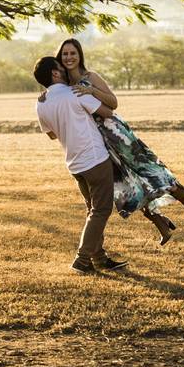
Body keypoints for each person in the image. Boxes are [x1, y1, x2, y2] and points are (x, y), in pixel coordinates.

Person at [54, 38, 184, 246]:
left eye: (73, 53)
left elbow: (113, 103)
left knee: (146, 170)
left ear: (80, 56)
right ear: (59, 58)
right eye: (65, 54)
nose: (69, 57)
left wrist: (91, 91)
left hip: (115, 133)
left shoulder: (91, 77)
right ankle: (159, 223)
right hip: (96, 141)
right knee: (126, 185)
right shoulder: (63, 86)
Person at [33, 56, 129, 273]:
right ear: (56, 74)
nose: (65, 68)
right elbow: (108, 112)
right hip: (94, 158)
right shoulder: (75, 93)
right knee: (101, 210)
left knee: (92, 210)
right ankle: (82, 259)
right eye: (60, 67)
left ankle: (99, 259)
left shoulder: (41, 103)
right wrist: (90, 94)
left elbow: (50, 135)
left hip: (74, 164)